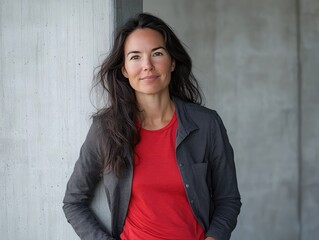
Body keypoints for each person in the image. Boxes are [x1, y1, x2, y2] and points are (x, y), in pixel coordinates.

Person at [63, 12, 241, 240]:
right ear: (125, 70)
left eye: (157, 53)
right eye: (135, 57)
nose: (147, 65)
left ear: (172, 62)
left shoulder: (206, 124)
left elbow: (228, 199)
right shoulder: (106, 129)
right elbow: (74, 201)